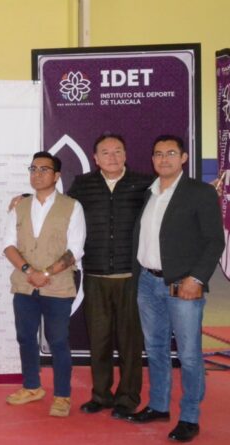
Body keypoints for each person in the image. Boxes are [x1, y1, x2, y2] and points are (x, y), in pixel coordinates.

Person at [127, 135, 224, 442]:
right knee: (155, 350)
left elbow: (214, 241)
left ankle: (190, 417)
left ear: (183, 157)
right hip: (147, 283)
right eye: (158, 153)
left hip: (183, 285)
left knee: (189, 355)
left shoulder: (199, 192)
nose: (164, 159)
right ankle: (158, 406)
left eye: (171, 153)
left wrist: (196, 279)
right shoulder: (150, 192)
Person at [67, 134, 152, 418]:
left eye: (118, 151)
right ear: (95, 158)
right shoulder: (83, 185)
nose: (112, 157)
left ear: (126, 155)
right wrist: (28, 199)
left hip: (131, 277)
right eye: (105, 152)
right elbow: (61, 210)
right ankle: (101, 395)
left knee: (130, 343)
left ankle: (127, 397)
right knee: (99, 341)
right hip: (95, 275)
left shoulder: (144, 184)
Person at [2, 151, 85, 417]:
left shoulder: (72, 206)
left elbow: (76, 249)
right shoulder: (19, 205)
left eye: (44, 169)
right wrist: (29, 270)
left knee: (58, 340)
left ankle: (62, 395)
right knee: (25, 337)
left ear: (57, 175)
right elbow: (8, 244)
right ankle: (31, 387)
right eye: (33, 169)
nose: (37, 174)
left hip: (57, 286)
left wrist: (46, 273)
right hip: (25, 284)